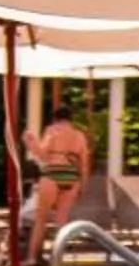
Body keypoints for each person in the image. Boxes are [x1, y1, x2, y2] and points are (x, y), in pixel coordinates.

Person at [27, 107, 92, 252]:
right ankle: (57, 257)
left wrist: (31, 143)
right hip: (71, 174)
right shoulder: (79, 135)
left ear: (55, 119)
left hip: (53, 171)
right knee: (62, 220)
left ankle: (32, 256)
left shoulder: (52, 130)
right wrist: (83, 185)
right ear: (70, 119)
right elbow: (85, 164)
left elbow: (42, 155)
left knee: (41, 219)